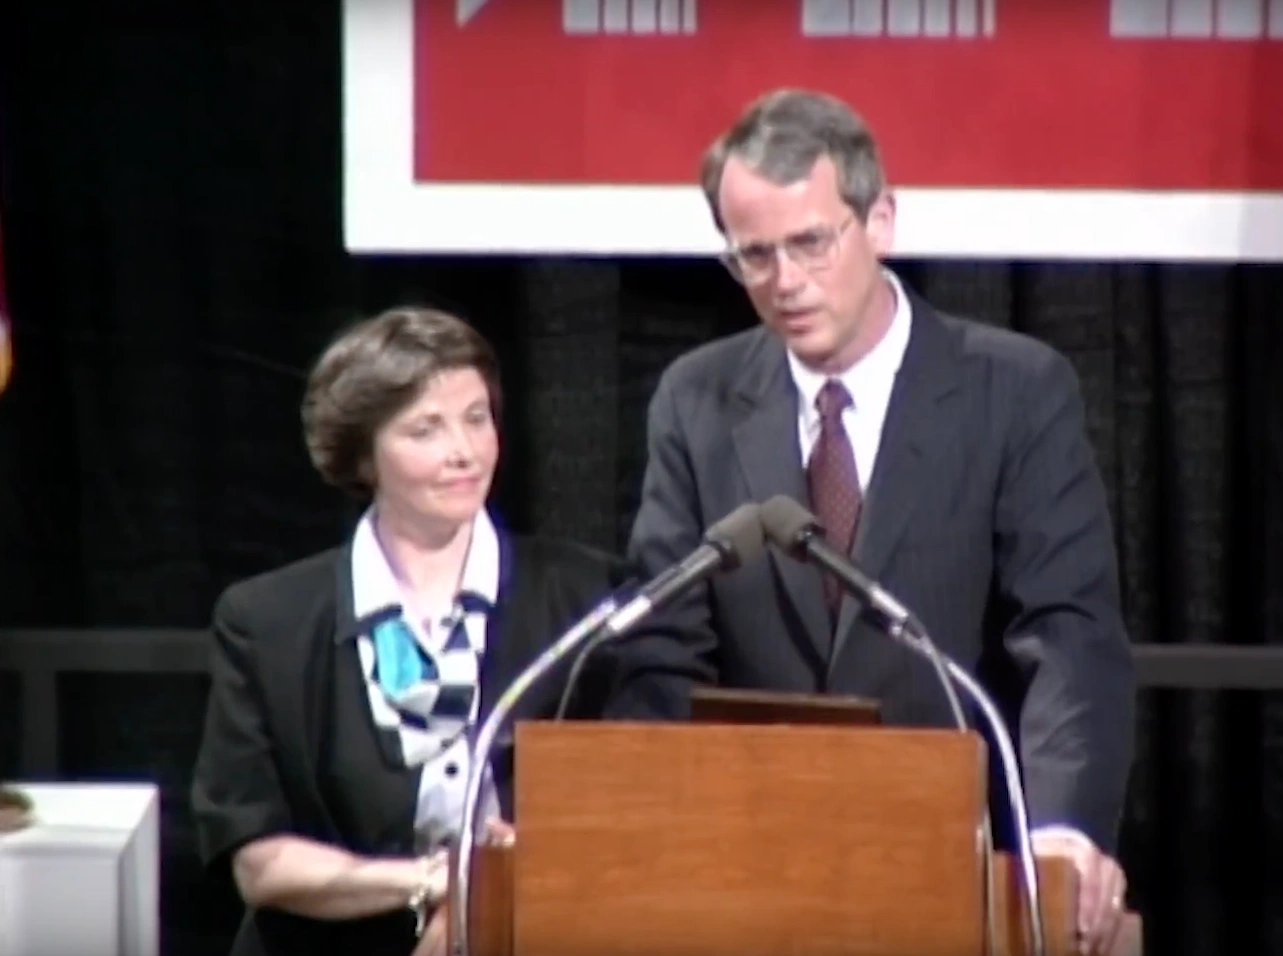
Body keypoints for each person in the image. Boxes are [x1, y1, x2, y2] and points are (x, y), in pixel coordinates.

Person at [609, 88, 1137, 953]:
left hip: (958, 866)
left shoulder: (1015, 390)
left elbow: (1069, 637)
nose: (785, 282)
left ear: (880, 219)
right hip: (743, 870)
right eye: (754, 256)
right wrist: (653, 825)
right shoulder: (696, 399)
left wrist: (1060, 829)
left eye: (811, 242)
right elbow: (662, 647)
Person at [191, 307, 626, 956]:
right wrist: (433, 881)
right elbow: (258, 862)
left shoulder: (588, 597)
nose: (464, 452)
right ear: (363, 456)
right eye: (426, 429)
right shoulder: (266, 621)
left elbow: (629, 813)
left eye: (476, 418)